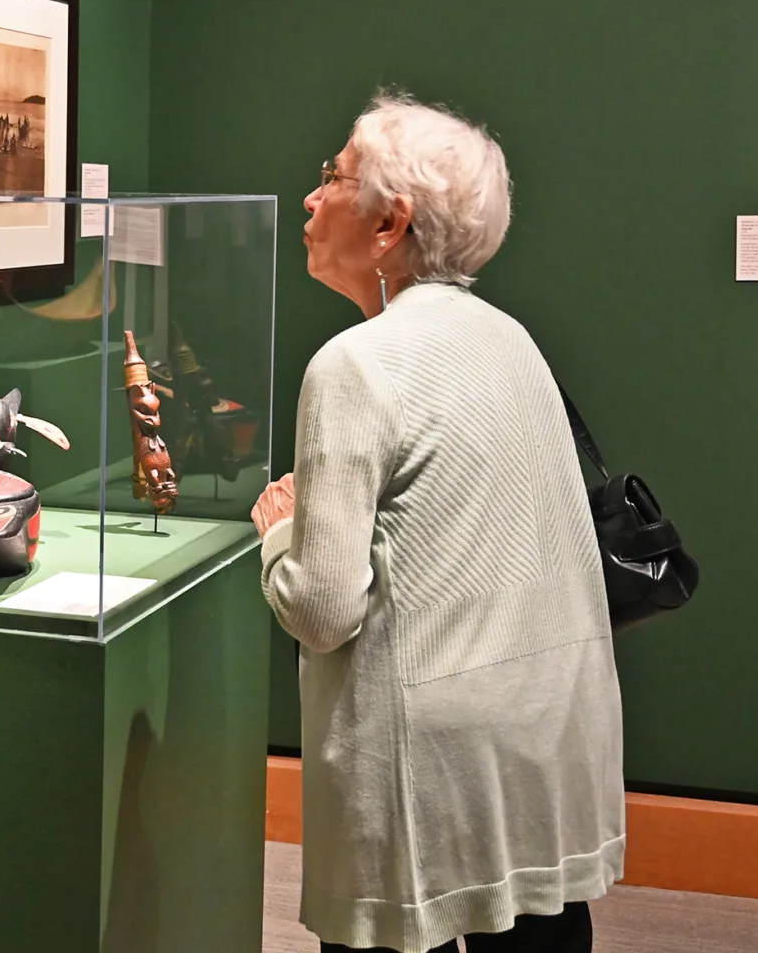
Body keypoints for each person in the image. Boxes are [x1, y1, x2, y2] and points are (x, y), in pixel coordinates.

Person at [252, 92, 624, 953]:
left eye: (332, 177)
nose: (311, 200)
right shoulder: (512, 338)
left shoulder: (352, 364)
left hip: (421, 753)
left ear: (390, 225)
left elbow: (321, 609)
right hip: (543, 729)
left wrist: (277, 528)